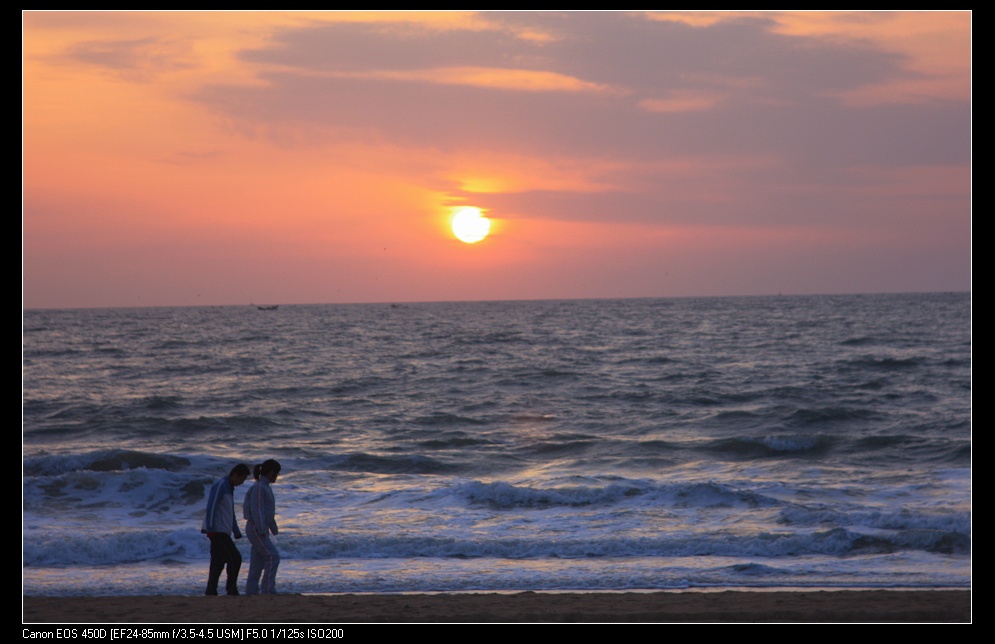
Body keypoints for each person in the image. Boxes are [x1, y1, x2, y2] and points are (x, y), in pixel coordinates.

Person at [202, 463, 250, 596]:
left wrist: (236, 530)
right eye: (241, 479)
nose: (241, 482)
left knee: (218, 563)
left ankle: (211, 591)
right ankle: (231, 589)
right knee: (235, 558)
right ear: (234, 475)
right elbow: (211, 507)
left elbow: (230, 511)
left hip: (223, 530)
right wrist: (210, 529)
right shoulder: (221, 486)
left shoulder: (229, 488)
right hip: (217, 530)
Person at [243, 459, 282, 595]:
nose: (277, 476)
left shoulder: (265, 487)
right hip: (256, 527)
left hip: (259, 527)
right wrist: (262, 529)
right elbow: (257, 509)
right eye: (276, 473)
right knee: (273, 557)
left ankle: (251, 591)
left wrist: (273, 528)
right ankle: (267, 589)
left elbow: (267, 511)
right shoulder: (259, 488)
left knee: (257, 562)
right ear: (271, 473)